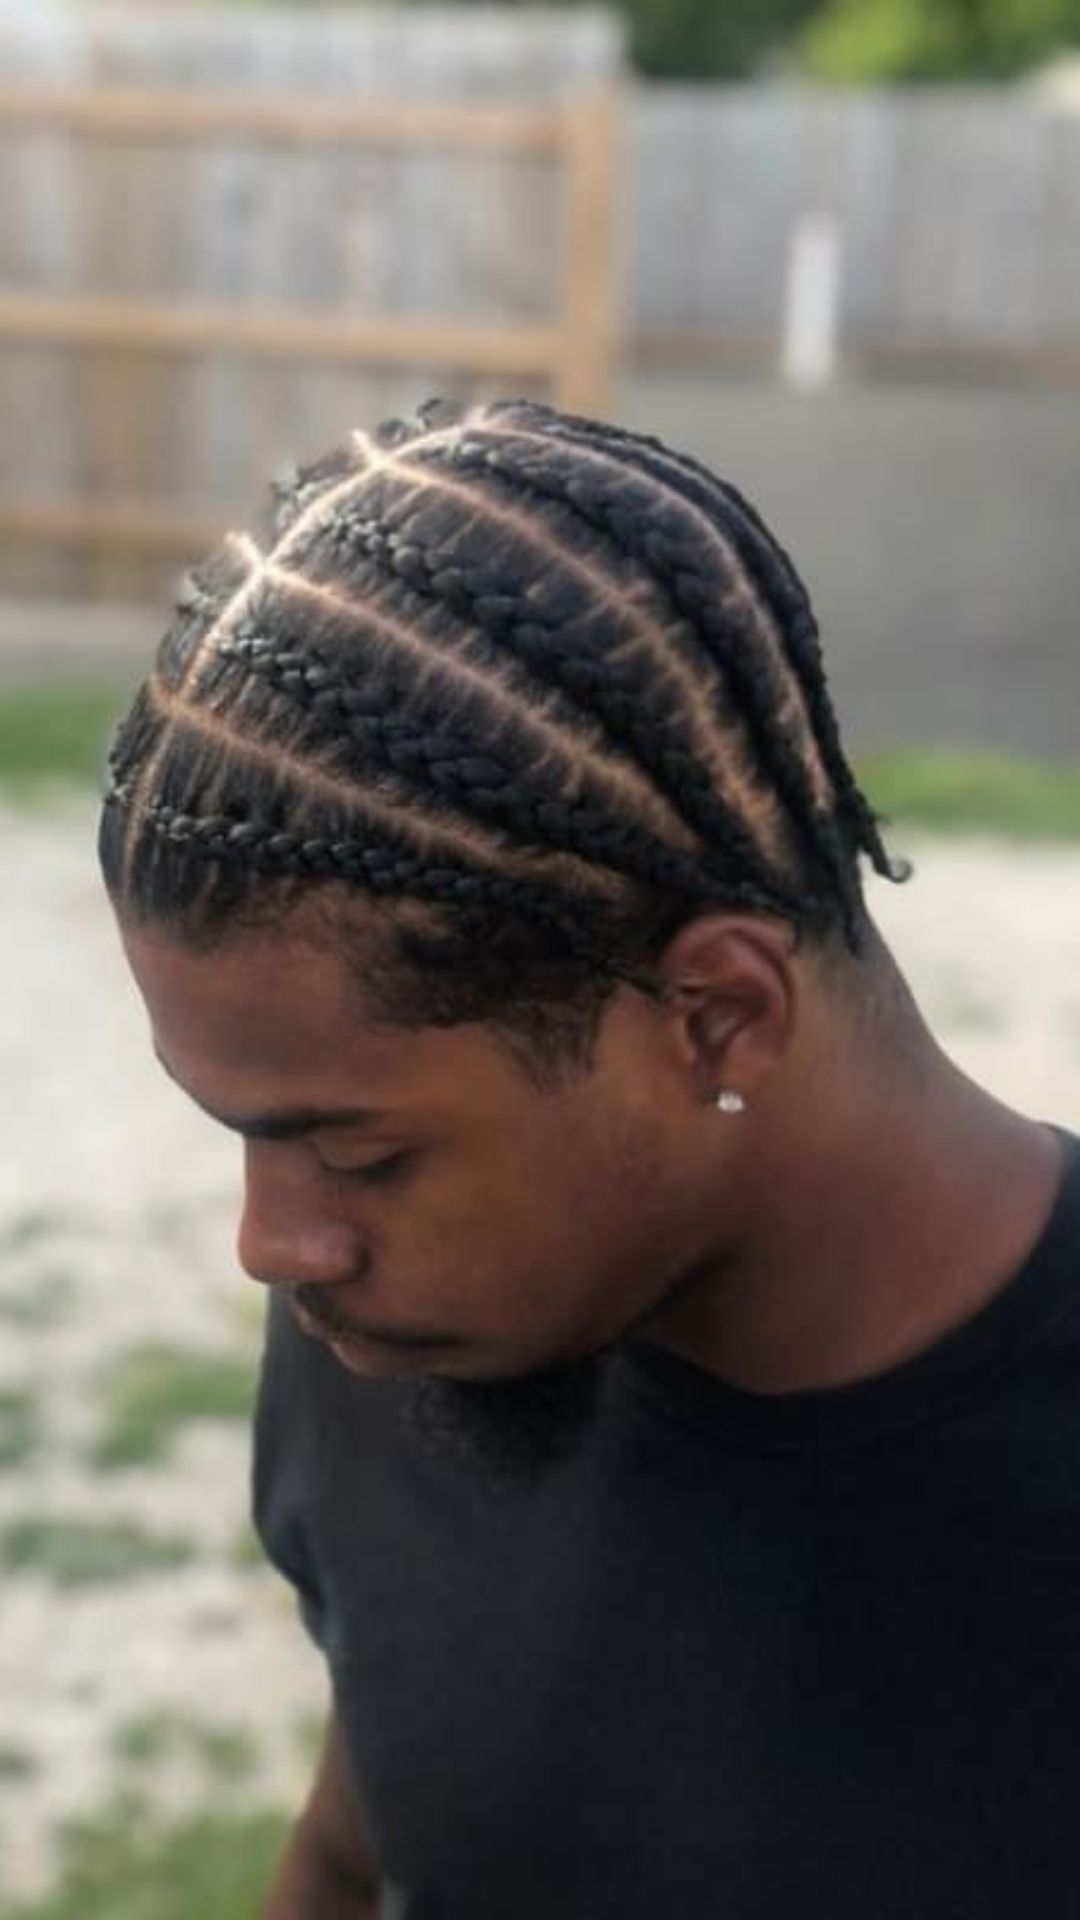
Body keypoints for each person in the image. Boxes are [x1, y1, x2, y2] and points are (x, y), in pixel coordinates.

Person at [99, 398, 1079, 1920]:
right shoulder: (411, 1339)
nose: (274, 1247)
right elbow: (385, 1827)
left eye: (355, 1155)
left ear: (716, 1016)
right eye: (244, 1140)